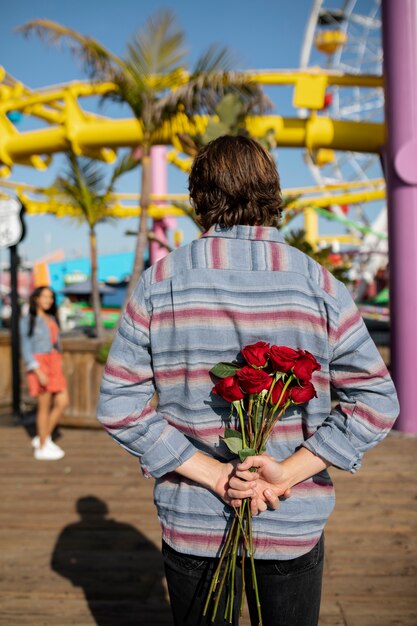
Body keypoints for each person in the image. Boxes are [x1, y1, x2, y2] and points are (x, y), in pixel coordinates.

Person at [97, 136, 399, 626]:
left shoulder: (160, 282)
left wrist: (215, 474)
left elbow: (120, 406)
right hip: (290, 516)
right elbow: (376, 401)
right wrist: (292, 469)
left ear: (199, 198)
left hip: (193, 516)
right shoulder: (319, 283)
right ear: (273, 193)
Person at [20, 286, 69, 461]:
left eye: (51, 297)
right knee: (44, 405)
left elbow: (56, 342)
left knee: (63, 401)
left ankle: (43, 436)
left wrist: (59, 360)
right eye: (44, 297)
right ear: (36, 299)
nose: (48, 300)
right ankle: (41, 447)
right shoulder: (28, 320)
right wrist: (37, 369)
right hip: (39, 363)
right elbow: (25, 347)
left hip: (54, 361)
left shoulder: (52, 317)